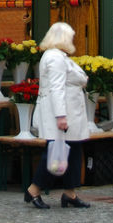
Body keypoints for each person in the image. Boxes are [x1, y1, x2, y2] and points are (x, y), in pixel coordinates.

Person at [25, 22, 91, 209]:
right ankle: (33, 189)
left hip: (71, 116)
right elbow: (56, 88)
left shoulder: (58, 57)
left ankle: (70, 193)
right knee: (55, 156)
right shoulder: (55, 58)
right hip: (64, 116)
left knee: (73, 153)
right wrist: (61, 116)